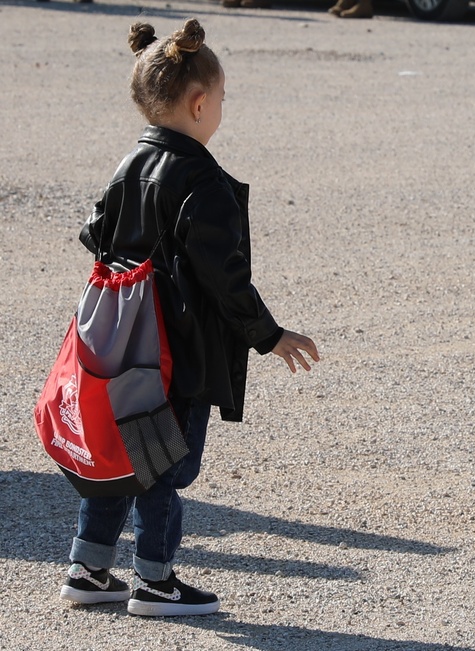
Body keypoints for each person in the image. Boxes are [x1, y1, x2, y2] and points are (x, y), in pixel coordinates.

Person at [59, 19, 321, 616]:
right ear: (199, 103)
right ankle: (154, 579)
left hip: (119, 347)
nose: (222, 108)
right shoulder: (202, 181)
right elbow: (224, 279)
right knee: (163, 466)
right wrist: (270, 335)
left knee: (121, 456)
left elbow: (94, 233)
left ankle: (89, 567)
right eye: (222, 99)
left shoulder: (130, 162)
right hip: (177, 353)